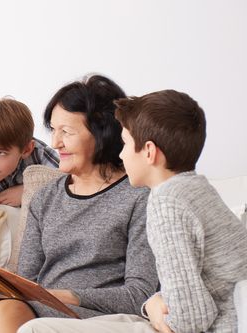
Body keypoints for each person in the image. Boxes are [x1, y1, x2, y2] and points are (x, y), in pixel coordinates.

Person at [0, 74, 159, 333]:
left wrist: (63, 295)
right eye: (53, 130)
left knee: (4, 315)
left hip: (95, 314)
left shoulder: (139, 197)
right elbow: (26, 281)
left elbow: (139, 294)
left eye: (66, 132)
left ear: (102, 133)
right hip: (41, 304)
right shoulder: (46, 197)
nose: (55, 143)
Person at [17, 90, 247, 333]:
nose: (120, 153)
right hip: (215, 320)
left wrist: (152, 306)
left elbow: (192, 316)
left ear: (149, 151)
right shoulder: (195, 189)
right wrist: (155, 302)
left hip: (215, 327)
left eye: (125, 144)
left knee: (34, 329)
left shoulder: (166, 204)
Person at [0, 98, 59, 207]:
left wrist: (28, 192)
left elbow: (67, 181)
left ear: (26, 149)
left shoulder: (39, 154)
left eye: (1, 153)